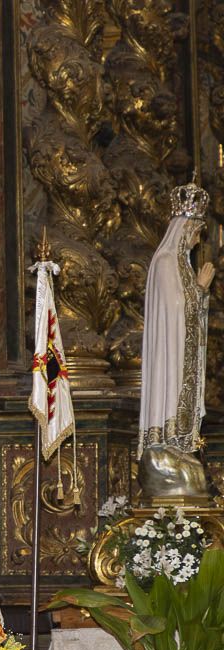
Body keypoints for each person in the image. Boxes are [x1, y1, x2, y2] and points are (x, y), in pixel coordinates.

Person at [139, 176, 214, 460]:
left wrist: (199, 292)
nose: (196, 241)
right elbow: (174, 307)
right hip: (170, 351)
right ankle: (167, 438)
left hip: (182, 347)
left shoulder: (182, 263)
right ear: (183, 230)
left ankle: (179, 441)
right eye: (195, 233)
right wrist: (201, 288)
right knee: (171, 386)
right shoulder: (166, 262)